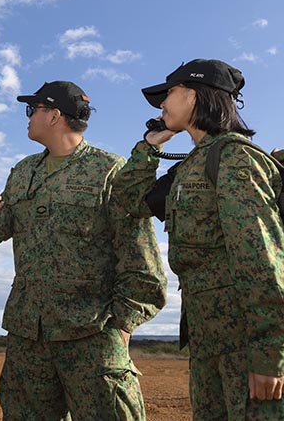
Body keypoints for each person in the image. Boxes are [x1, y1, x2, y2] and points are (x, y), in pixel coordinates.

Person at [0, 81, 167, 420]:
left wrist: (122, 327)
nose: (28, 117)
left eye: (32, 109)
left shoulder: (108, 170)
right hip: (28, 334)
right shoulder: (23, 172)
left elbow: (141, 257)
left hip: (90, 334)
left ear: (54, 116)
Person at [111, 59, 284, 420]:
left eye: (169, 93)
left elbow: (261, 259)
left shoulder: (233, 157)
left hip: (245, 344)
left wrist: (270, 353)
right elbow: (130, 201)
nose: (162, 105)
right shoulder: (192, 164)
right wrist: (148, 147)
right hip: (207, 341)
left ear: (195, 95)